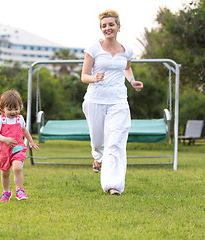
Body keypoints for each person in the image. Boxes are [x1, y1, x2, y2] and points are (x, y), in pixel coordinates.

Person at [81, 9, 143, 195]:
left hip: (118, 101)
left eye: (111, 24)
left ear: (118, 27)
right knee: (99, 142)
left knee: (115, 142)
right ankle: (98, 157)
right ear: (101, 28)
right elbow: (84, 76)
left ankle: (113, 185)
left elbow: (127, 69)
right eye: (104, 25)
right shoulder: (93, 49)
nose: (108, 28)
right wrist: (94, 78)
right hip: (95, 100)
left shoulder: (127, 50)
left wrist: (132, 81)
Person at [0, 89, 40, 202]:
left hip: (17, 148)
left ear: (20, 107)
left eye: (16, 109)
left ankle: (19, 190)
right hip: (4, 150)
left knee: (17, 168)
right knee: (5, 173)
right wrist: (5, 139)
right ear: (2, 108)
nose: (13, 112)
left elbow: (24, 130)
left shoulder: (20, 119)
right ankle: (6, 192)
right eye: (9, 109)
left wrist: (31, 141)